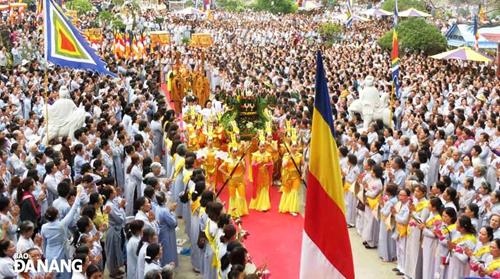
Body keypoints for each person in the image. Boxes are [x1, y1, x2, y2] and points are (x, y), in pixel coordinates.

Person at [40, 187, 83, 279]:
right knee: (64, 275)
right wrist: (78, 195)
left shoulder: (43, 227)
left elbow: (44, 243)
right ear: (57, 215)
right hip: (61, 254)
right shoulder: (62, 225)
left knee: (52, 275)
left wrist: (44, 255)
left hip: (49, 254)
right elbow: (73, 209)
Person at [404, 184, 430, 279]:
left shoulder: (426, 205)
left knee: (415, 252)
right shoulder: (415, 201)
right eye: (415, 190)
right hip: (411, 228)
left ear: (423, 193)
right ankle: (407, 273)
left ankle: (414, 275)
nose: (415, 193)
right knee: (409, 250)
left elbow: (421, 221)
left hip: (417, 231)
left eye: (418, 191)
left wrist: (413, 212)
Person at [102, 186, 126, 278]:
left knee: (117, 250)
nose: (115, 192)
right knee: (112, 252)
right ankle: (113, 272)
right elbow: (120, 219)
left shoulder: (112, 203)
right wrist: (121, 208)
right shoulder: (110, 205)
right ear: (110, 194)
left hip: (116, 229)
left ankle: (116, 269)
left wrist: (120, 207)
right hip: (113, 230)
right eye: (113, 191)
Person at [218, 147, 248, 218]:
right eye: (233, 151)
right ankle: (234, 212)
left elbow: (244, 170)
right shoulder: (227, 160)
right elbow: (220, 168)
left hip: (240, 180)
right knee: (233, 197)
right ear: (230, 152)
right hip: (232, 181)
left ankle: (241, 211)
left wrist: (242, 164)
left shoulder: (240, 159)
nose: (235, 153)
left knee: (242, 196)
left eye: (236, 151)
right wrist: (226, 174)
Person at [419, 197, 443, 279]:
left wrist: (424, 229)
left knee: (429, 264)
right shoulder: (431, 214)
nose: (427, 205)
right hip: (426, 241)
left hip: (432, 243)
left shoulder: (438, 219)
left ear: (434, 207)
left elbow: (435, 234)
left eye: (429, 204)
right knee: (425, 263)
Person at [362, 165, 383, 249]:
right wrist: (366, 188)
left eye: (373, 172)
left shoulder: (378, 182)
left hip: (373, 204)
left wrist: (366, 192)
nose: (371, 173)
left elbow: (373, 194)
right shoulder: (372, 180)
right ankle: (367, 239)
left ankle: (372, 242)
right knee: (367, 221)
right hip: (368, 202)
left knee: (372, 223)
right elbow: (369, 189)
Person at [278, 143, 303, 216]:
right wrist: (289, 157)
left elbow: (303, 165)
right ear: (290, 147)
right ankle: (286, 206)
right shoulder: (286, 155)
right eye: (293, 146)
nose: (295, 148)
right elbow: (283, 165)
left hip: (296, 176)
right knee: (287, 191)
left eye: (296, 146)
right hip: (288, 176)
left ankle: (292, 209)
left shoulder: (300, 155)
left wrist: (303, 174)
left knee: (294, 191)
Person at [249, 142, 273, 212]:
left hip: (265, 174)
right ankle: (256, 203)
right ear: (258, 146)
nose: (262, 148)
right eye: (261, 146)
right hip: (258, 174)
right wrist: (257, 164)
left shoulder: (268, 154)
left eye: (263, 146)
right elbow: (252, 164)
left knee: (265, 188)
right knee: (258, 188)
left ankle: (264, 205)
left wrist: (267, 165)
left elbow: (271, 163)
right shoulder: (255, 154)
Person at [378, 183, 398, 262]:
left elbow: (385, 213)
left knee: (385, 238)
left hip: (386, 221)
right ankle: (391, 255)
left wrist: (382, 206)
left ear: (389, 192)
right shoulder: (394, 199)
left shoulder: (390, 202)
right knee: (389, 239)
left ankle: (386, 255)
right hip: (389, 221)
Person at [156, 191, 178, 267]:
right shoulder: (165, 211)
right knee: (168, 251)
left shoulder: (158, 208)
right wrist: (172, 211)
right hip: (167, 233)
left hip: (162, 232)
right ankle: (167, 268)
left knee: (164, 250)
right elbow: (173, 223)